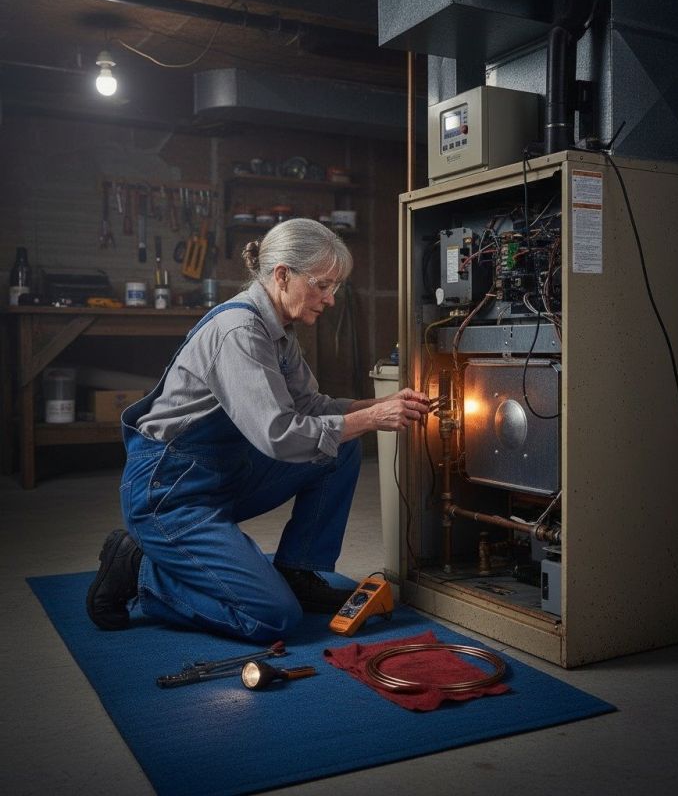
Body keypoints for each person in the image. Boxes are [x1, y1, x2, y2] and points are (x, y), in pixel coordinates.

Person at [86, 218, 429, 642]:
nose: (331, 299)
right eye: (323, 285)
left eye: (335, 288)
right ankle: (139, 570)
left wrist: (381, 405)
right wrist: (371, 420)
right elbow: (279, 435)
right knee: (272, 617)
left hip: (221, 475)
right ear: (283, 274)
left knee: (340, 448)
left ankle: (299, 571)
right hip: (168, 493)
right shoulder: (239, 332)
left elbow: (313, 408)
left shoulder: (278, 332)